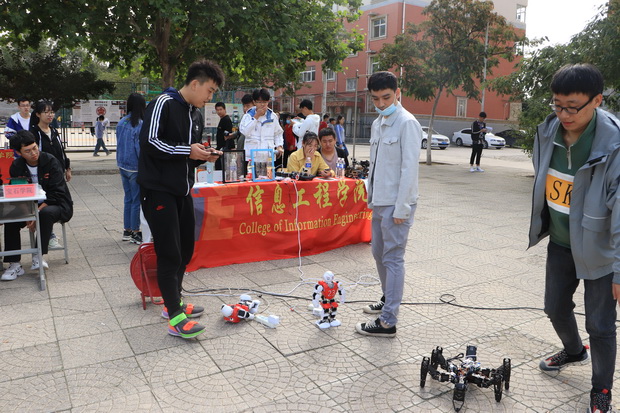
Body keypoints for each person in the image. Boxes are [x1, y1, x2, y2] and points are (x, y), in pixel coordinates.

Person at [530, 64, 618, 413]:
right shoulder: (548, 130)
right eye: (557, 105)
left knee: (600, 324)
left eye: (572, 107)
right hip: (562, 242)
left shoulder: (614, 145)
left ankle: (602, 389)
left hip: (601, 251)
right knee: (554, 307)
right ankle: (574, 351)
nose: (563, 115)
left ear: (597, 101)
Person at [138, 59, 223, 339]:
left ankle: (173, 302)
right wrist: (188, 151)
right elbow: (150, 142)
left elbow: (185, 154)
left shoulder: (194, 113)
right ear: (195, 83)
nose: (210, 98)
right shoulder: (163, 103)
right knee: (169, 252)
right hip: (158, 189)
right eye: (209, 91)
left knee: (185, 249)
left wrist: (203, 156)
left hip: (183, 189)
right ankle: (175, 317)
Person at [356, 71, 421, 338]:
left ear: (397, 93)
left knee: (393, 258)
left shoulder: (407, 123)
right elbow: (376, 165)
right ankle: (388, 298)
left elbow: (409, 170)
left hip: (397, 204)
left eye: (386, 97)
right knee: (378, 253)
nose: (381, 104)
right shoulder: (378, 123)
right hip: (380, 201)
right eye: (375, 99)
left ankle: (388, 322)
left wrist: (402, 208)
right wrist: (370, 198)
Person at [0, 130, 73, 281]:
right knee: (11, 219)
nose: (34, 153)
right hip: (26, 205)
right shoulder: (16, 166)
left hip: (56, 204)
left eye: (35, 148)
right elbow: (17, 193)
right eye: (27, 151)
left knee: (45, 215)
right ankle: (14, 264)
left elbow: (57, 193)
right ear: (19, 153)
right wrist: (28, 213)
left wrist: (35, 212)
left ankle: (38, 256)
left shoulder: (51, 161)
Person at [116, 93, 146, 245]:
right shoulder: (140, 124)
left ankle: (127, 230)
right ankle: (136, 231)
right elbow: (139, 148)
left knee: (128, 198)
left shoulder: (121, 122)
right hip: (135, 166)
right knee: (136, 200)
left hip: (122, 164)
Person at [238, 88, 284, 170]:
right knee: (252, 177)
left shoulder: (272, 116)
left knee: (268, 177)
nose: (262, 104)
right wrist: (256, 117)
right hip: (252, 157)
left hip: (268, 157)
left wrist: (279, 145)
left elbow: (278, 133)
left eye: (265, 102)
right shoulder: (248, 116)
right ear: (254, 102)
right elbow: (244, 131)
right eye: (259, 102)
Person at [214, 102, 234, 171]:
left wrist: (230, 148)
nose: (219, 111)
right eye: (217, 110)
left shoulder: (226, 120)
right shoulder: (222, 119)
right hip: (220, 148)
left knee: (221, 167)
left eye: (220, 109)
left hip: (225, 149)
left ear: (225, 109)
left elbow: (229, 135)